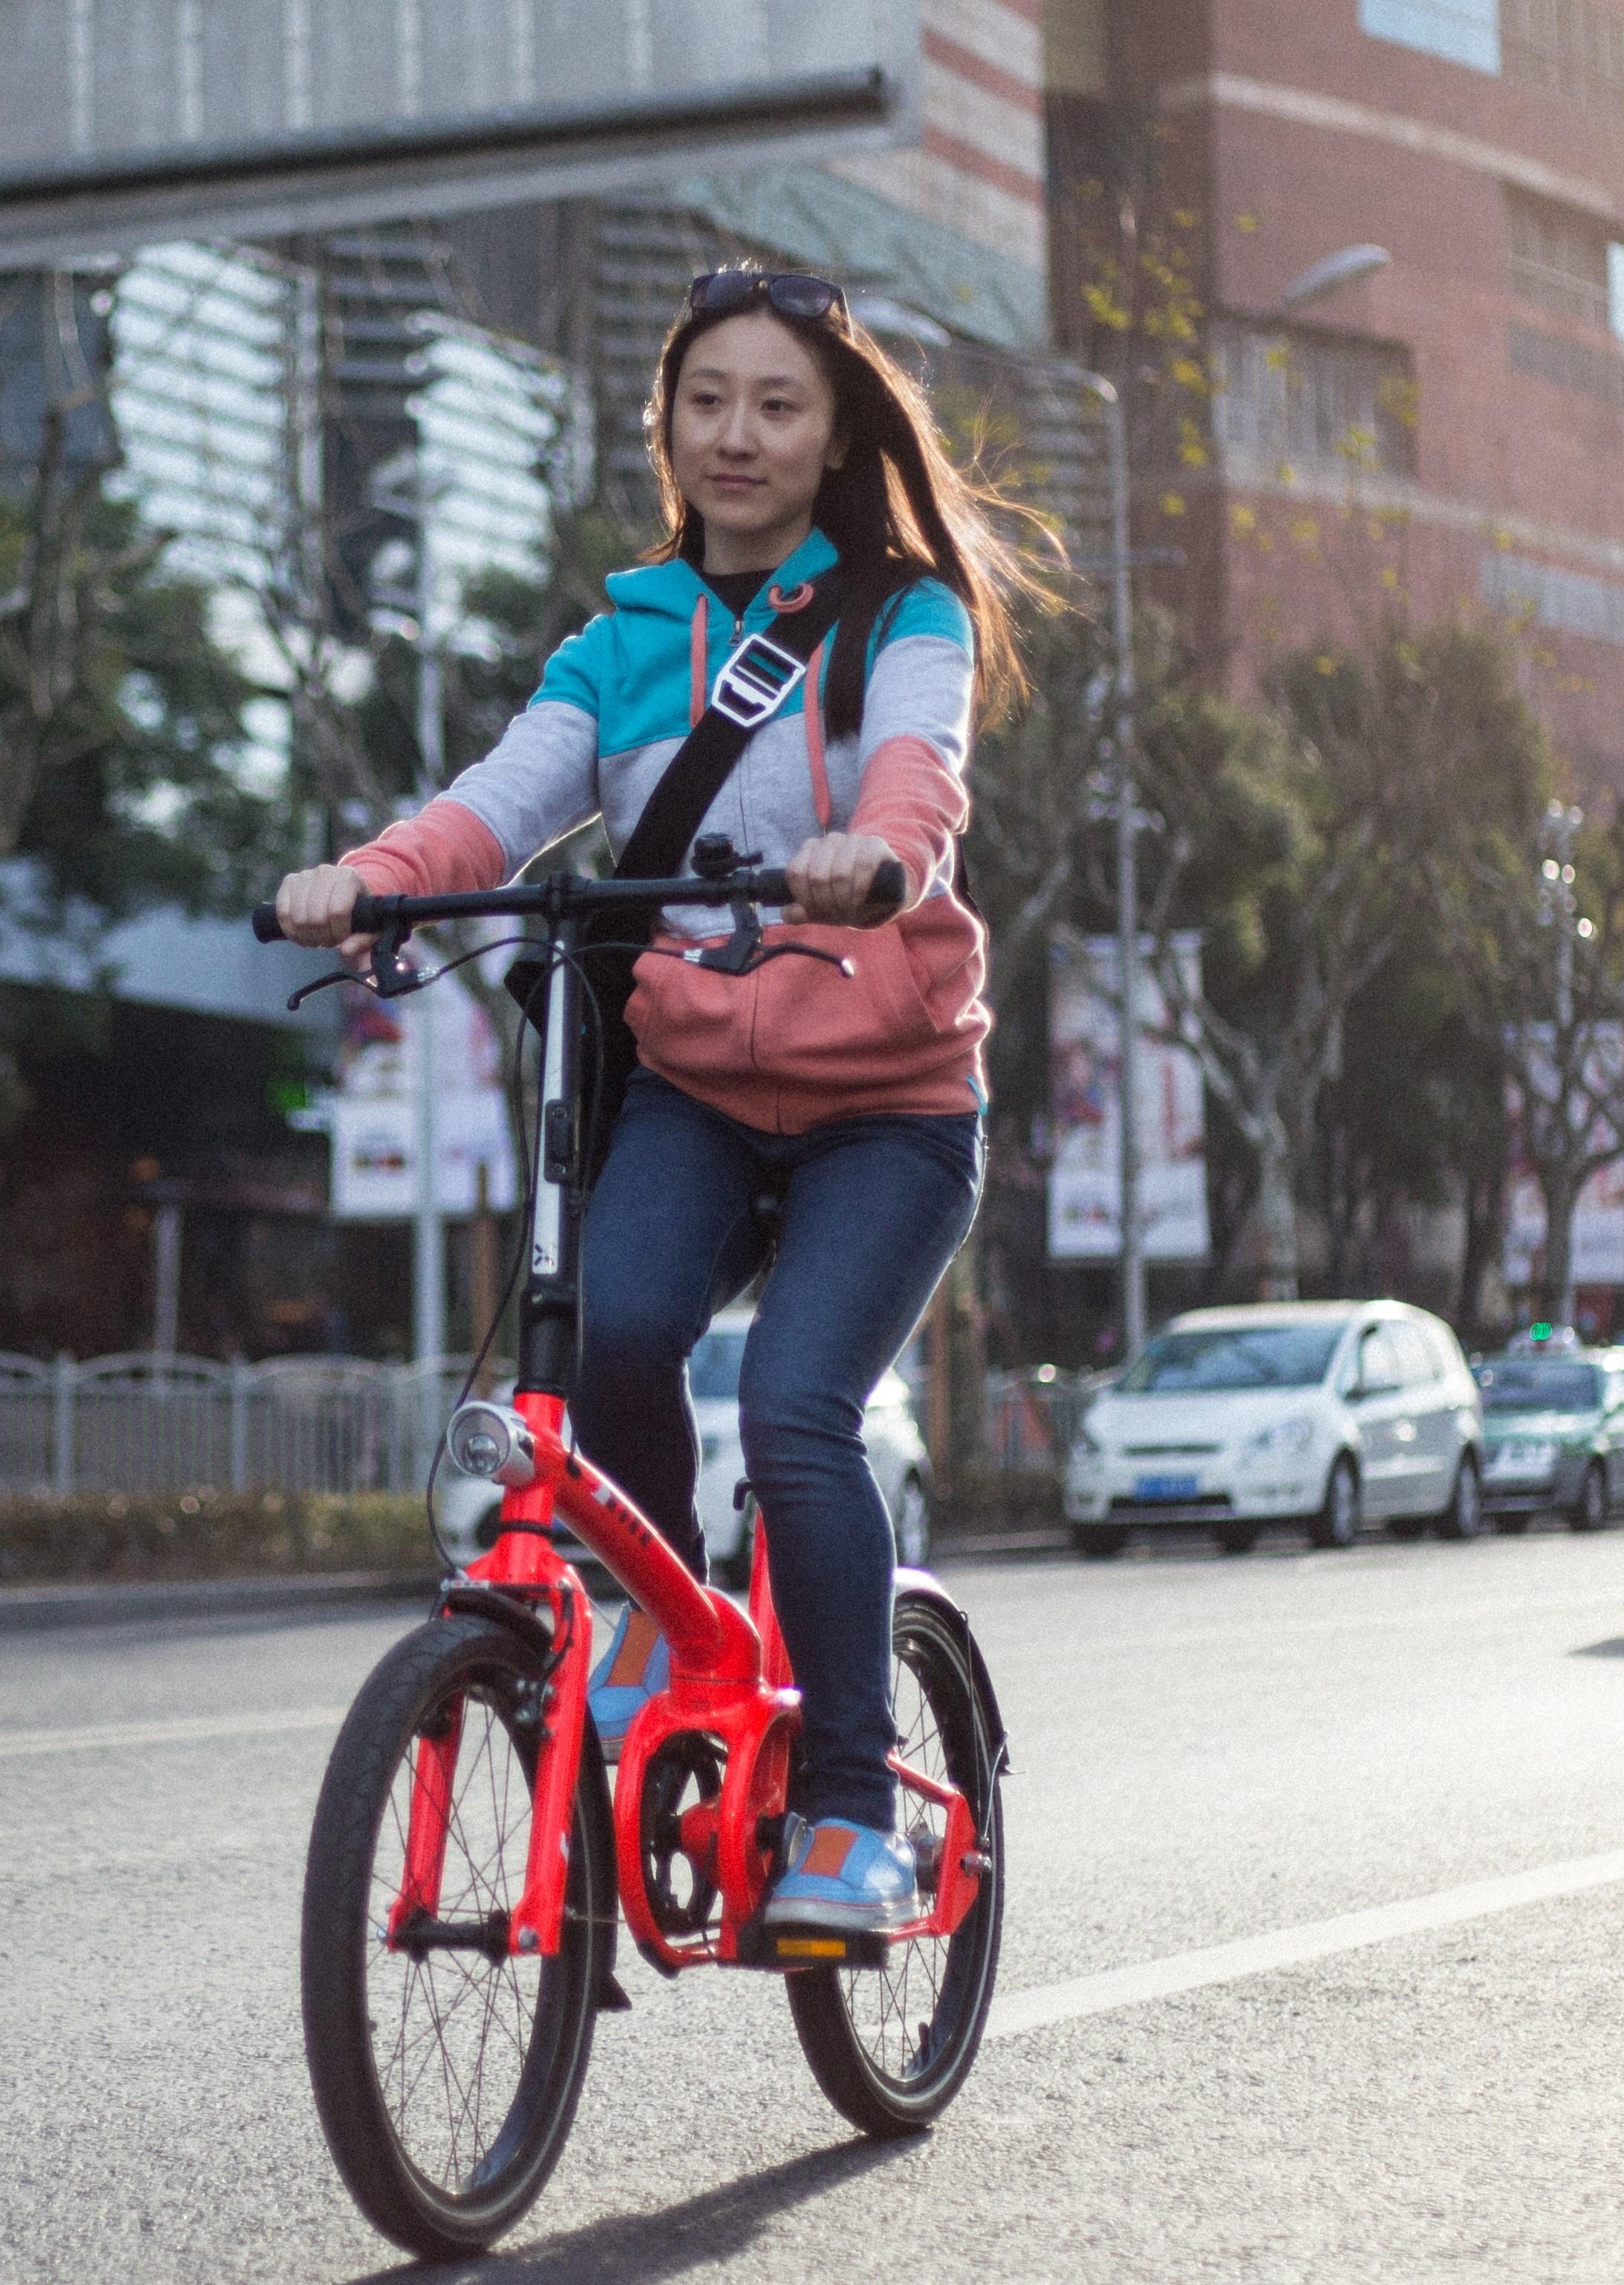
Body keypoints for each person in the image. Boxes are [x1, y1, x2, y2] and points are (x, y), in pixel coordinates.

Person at [270, 268, 1049, 1932]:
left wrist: (880, 856)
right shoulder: (622, 638)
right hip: (694, 1093)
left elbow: (920, 768)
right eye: (707, 401)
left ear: (833, 432)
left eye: (777, 404)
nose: (738, 434)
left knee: (791, 1413)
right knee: (606, 1334)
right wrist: (367, 875)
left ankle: (850, 1810)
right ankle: (667, 1621)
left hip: (886, 1114)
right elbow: (499, 803)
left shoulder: (896, 615)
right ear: (666, 426)